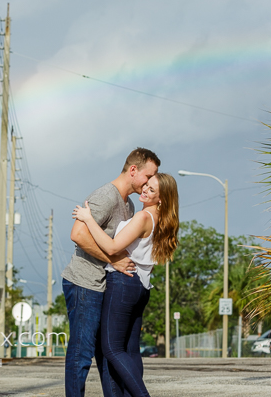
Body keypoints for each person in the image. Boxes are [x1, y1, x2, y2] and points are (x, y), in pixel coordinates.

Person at [61, 148, 160, 397]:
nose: (149, 182)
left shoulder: (127, 204)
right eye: (149, 176)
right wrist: (113, 259)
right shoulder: (106, 196)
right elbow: (78, 234)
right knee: (81, 352)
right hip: (84, 283)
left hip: (104, 284)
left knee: (107, 353)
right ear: (133, 170)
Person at [73, 173, 179, 397]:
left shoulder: (143, 218)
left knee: (111, 348)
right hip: (141, 287)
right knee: (130, 351)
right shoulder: (160, 219)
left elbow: (112, 248)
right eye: (146, 185)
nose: (145, 191)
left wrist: (88, 218)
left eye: (152, 190)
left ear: (161, 199)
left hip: (123, 282)